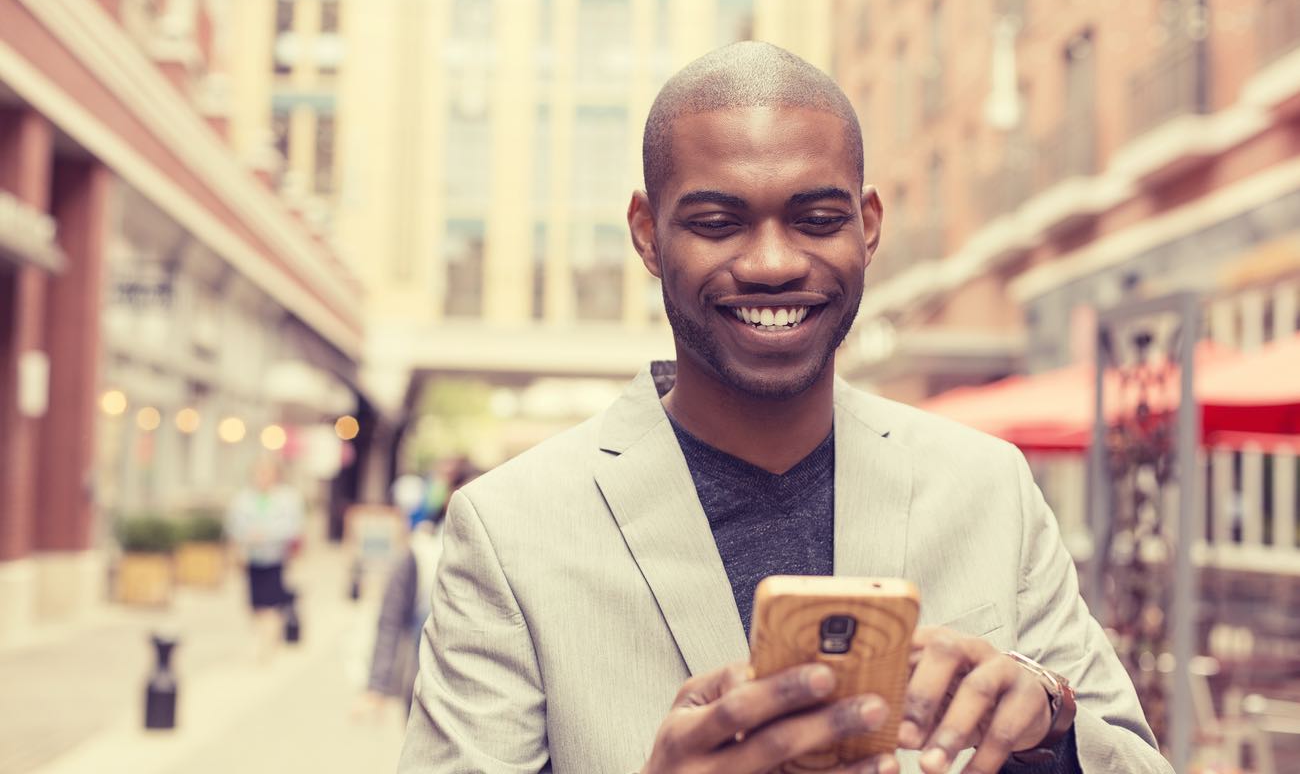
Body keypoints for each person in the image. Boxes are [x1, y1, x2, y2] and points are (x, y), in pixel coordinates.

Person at [399, 43, 1172, 774]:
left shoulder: (990, 486)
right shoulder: (508, 531)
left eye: (816, 220)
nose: (772, 263)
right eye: (717, 223)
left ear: (867, 226)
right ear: (647, 234)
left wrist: (1052, 725)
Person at [360, 460, 479, 718]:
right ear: (450, 499)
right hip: (422, 682)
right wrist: (377, 685)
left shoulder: (508, 558)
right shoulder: (422, 548)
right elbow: (390, 617)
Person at [226, 456, 304, 660]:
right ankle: (262, 638)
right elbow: (234, 527)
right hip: (252, 559)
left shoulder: (287, 498)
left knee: (271, 604)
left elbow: (293, 527)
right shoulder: (244, 499)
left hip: (275, 557)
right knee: (254, 605)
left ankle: (267, 646)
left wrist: (266, 534)